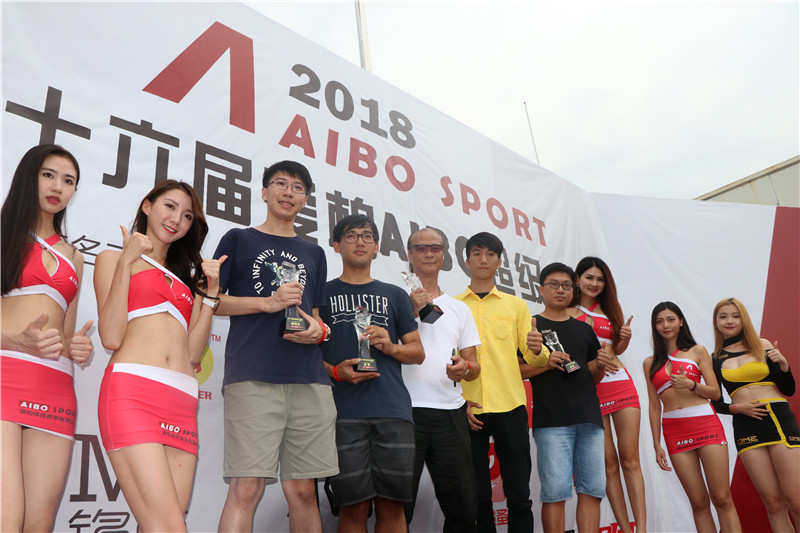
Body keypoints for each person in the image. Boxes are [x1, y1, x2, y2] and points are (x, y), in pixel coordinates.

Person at [214, 161, 337, 533]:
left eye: (298, 188)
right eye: (280, 184)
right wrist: (266, 303)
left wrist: (319, 331)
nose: (288, 192)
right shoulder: (238, 239)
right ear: (264, 191)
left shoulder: (314, 253)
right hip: (253, 375)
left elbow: (316, 316)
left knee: (303, 491)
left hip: (309, 379)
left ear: (306, 200)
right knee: (246, 488)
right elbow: (211, 302)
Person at [93, 180, 222, 531]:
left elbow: (193, 353)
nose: (177, 219)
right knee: (167, 524)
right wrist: (127, 261)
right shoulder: (112, 259)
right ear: (147, 206)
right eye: (170, 206)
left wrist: (210, 297)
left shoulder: (186, 281)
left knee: (166, 521)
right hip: (133, 392)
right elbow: (110, 336)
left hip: (182, 399)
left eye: (187, 215)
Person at [1, 144, 93, 531]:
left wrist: (76, 347)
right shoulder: (3, 234)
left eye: (68, 181)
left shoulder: (74, 256)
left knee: (38, 524)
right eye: (49, 175)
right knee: (7, 518)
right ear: (29, 177)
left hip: (55, 388)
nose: (58, 187)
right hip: (5, 378)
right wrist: (14, 340)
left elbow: (65, 335)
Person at [319, 214, 425, 533]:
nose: (360, 242)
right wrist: (335, 372)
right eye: (351, 236)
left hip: (392, 411)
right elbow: (306, 354)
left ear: (377, 247)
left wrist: (390, 347)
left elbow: (417, 352)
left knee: (393, 506)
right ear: (336, 245)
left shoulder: (395, 295)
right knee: (353, 508)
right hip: (342, 413)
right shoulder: (320, 294)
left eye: (367, 236)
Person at [455, 232, 548, 533]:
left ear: (499, 262)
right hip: (468, 408)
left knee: (519, 494)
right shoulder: (452, 307)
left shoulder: (516, 306)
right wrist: (459, 403)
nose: (483, 259)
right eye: (477, 253)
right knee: (476, 497)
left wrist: (537, 349)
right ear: (466, 260)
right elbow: (446, 362)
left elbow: (535, 360)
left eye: (491, 254)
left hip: (510, 405)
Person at [401, 227, 482, 533]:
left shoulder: (460, 308)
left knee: (463, 509)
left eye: (435, 248)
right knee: (398, 509)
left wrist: (464, 367)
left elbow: (474, 365)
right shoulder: (394, 300)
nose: (428, 253)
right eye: (421, 248)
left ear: (444, 255)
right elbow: (383, 346)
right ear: (409, 255)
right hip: (404, 413)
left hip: (450, 413)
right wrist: (410, 309)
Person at [525, 262, 611, 533]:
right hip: (552, 421)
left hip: (590, 418)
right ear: (541, 289)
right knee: (555, 492)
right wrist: (546, 363)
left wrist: (600, 365)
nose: (560, 290)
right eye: (553, 284)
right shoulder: (531, 326)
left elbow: (591, 378)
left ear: (573, 291)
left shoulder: (584, 329)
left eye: (566, 285)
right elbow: (516, 371)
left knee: (592, 490)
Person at [643, 301, 741, 533]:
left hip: (705, 424)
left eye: (671, 319)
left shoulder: (697, 351)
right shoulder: (649, 363)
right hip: (674, 431)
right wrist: (656, 444)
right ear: (655, 326)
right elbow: (654, 406)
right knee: (698, 502)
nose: (666, 325)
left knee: (722, 498)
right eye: (659, 321)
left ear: (680, 322)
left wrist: (691, 385)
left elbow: (715, 393)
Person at [568, 257, 645, 533]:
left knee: (630, 458)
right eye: (589, 277)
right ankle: (625, 528)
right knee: (608, 464)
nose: (595, 284)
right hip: (590, 387)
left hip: (620, 382)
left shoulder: (611, 308)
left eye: (600, 279)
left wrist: (625, 338)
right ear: (577, 279)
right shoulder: (567, 310)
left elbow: (617, 349)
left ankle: (642, 529)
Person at [710, 297, 799, 531]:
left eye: (735, 315)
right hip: (745, 424)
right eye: (723, 316)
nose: (729, 321)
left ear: (744, 319)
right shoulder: (715, 358)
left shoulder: (762, 345)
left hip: (777, 417)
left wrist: (783, 365)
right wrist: (736, 408)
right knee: (773, 503)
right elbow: (716, 402)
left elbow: (788, 388)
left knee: (796, 500)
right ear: (716, 322)